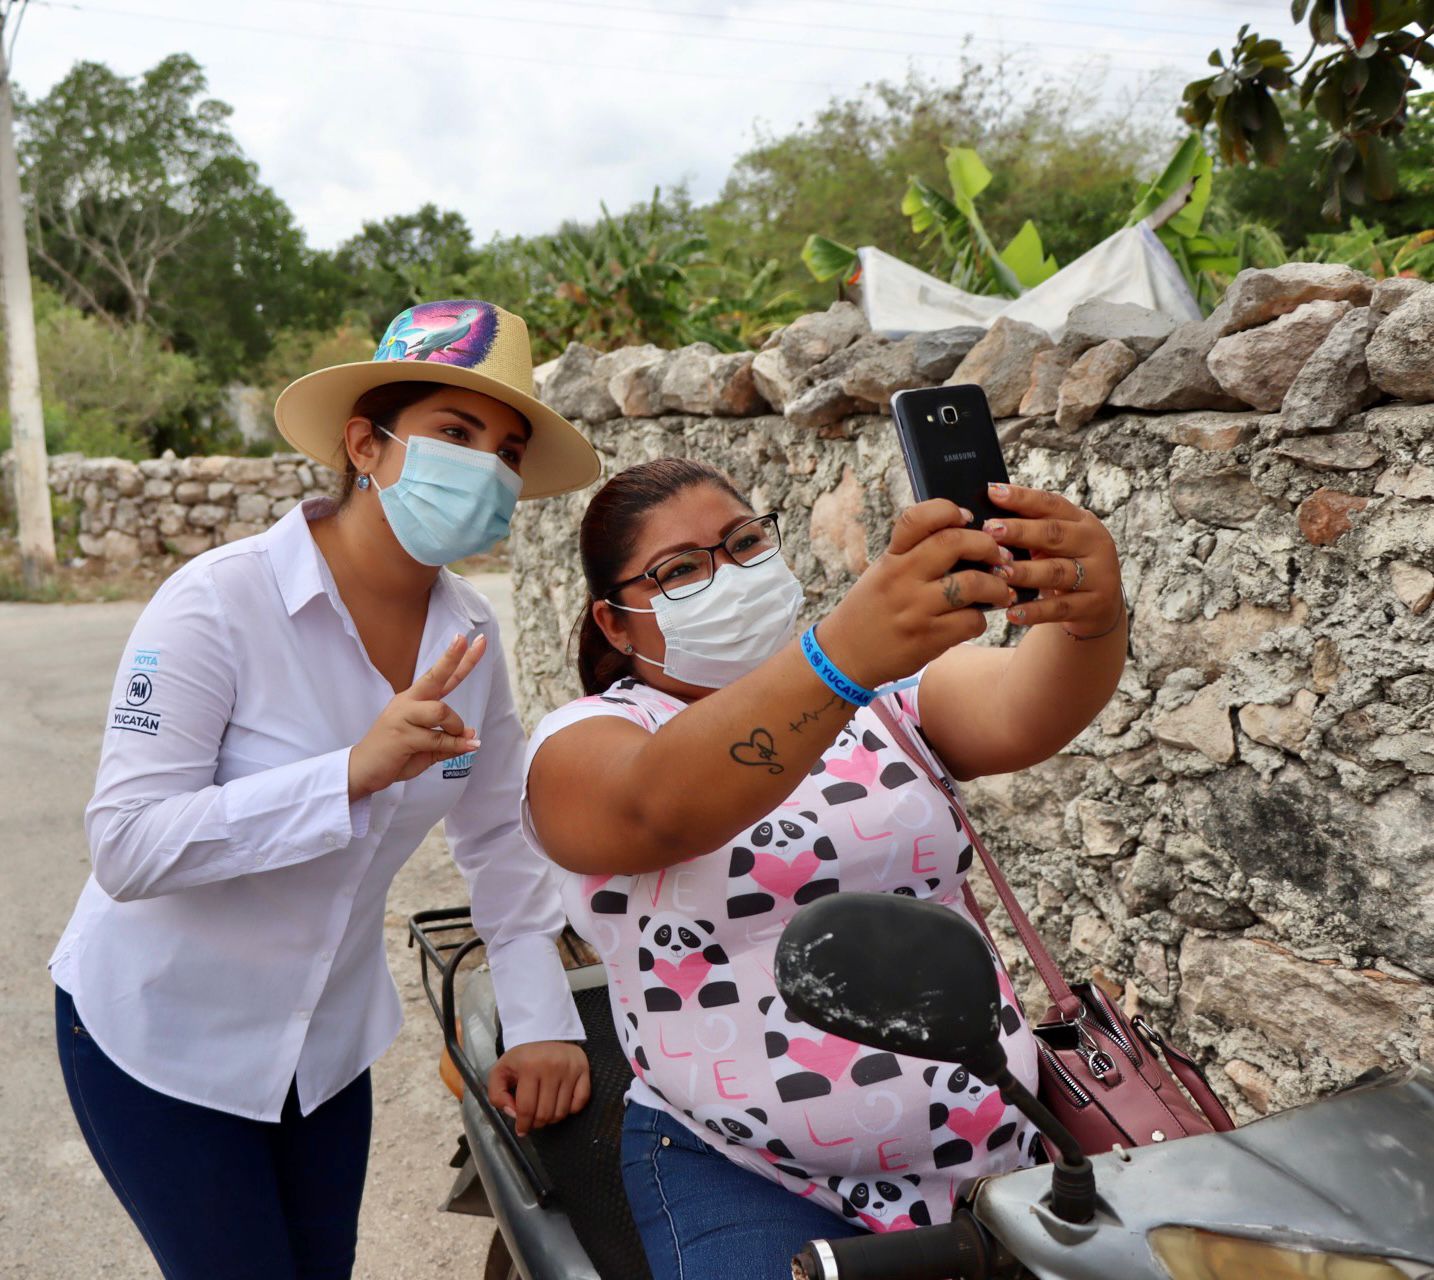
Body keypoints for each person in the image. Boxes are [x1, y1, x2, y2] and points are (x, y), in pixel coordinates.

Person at [50, 300, 601, 1280]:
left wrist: (544, 1020)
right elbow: (128, 846)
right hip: (163, 1034)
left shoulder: (472, 637)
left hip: (323, 1047)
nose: (489, 467)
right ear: (367, 443)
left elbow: (502, 846)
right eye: (456, 432)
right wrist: (349, 772)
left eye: (509, 449)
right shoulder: (218, 602)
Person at [522, 457, 1127, 1279]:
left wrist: (1089, 619)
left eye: (742, 544)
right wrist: (839, 651)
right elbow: (653, 806)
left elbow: (1027, 704)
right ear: (617, 624)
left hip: (997, 1147)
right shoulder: (585, 740)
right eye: (680, 570)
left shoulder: (887, 702)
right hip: (746, 1173)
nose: (726, 576)